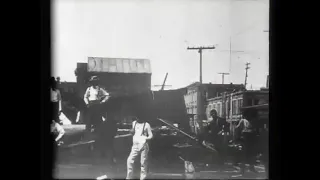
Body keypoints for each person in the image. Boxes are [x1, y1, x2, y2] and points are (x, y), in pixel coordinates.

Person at [235, 109, 258, 174]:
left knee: (252, 154)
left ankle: (251, 167)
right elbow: (237, 129)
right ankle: (242, 169)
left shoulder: (253, 121)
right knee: (244, 155)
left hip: (251, 139)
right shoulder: (242, 121)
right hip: (245, 139)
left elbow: (254, 130)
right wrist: (238, 138)